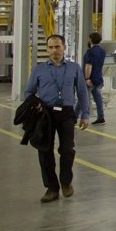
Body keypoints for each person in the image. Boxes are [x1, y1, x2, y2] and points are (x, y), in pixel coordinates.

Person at [23, 34, 90, 203]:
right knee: (45, 151)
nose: (54, 51)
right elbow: (29, 92)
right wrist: (36, 104)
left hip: (66, 113)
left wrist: (85, 115)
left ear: (64, 48)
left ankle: (66, 182)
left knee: (67, 149)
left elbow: (82, 92)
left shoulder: (74, 68)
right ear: (47, 49)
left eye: (57, 47)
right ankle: (51, 188)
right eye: (51, 47)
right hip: (45, 114)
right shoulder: (39, 70)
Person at [83, 32, 107, 125]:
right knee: (98, 99)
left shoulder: (90, 51)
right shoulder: (102, 51)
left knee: (82, 98)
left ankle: (74, 117)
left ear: (90, 39)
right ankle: (101, 117)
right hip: (99, 77)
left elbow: (88, 66)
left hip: (91, 79)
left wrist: (87, 78)